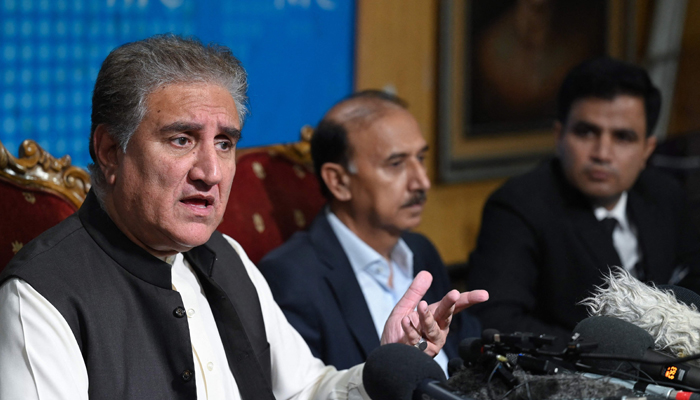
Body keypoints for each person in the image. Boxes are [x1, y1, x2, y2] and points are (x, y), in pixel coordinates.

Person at [0, 35, 488, 399]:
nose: (210, 172)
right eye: (181, 139)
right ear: (109, 150)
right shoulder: (40, 297)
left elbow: (303, 390)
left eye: (225, 143)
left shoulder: (225, 255)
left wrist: (385, 367)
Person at [466, 57, 700, 342]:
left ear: (647, 149)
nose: (602, 153)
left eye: (623, 137)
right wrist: (613, 353)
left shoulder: (664, 194)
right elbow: (496, 319)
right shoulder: (517, 206)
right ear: (559, 136)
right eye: (586, 132)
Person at [258, 90, 483, 373]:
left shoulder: (420, 250)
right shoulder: (292, 277)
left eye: (421, 158)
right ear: (338, 181)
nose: (422, 182)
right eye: (396, 164)